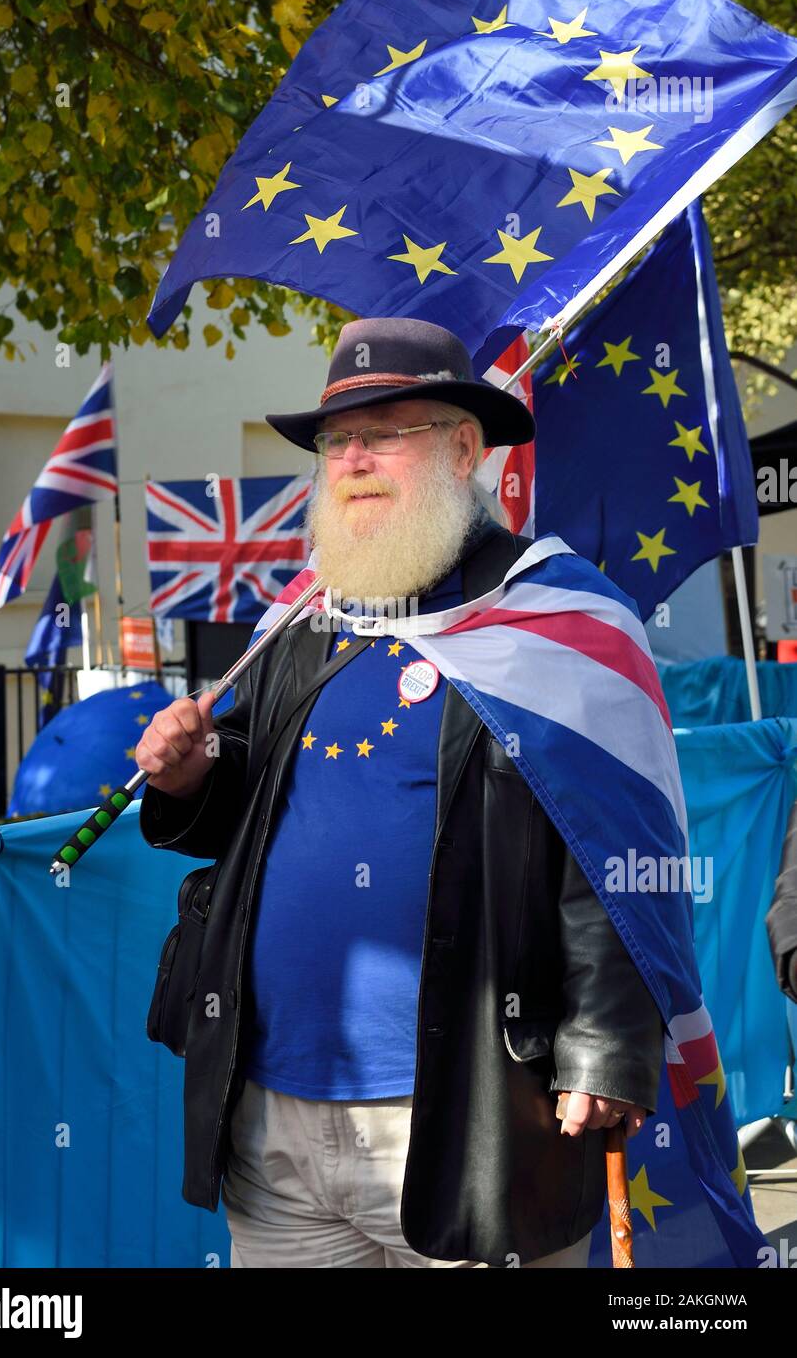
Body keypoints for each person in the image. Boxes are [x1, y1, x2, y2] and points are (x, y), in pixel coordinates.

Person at [136, 316, 664, 1268]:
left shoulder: (559, 620)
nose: (354, 459)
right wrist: (193, 773)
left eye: (386, 432)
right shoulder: (303, 621)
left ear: (464, 447)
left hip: (472, 1117)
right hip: (274, 1114)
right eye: (338, 440)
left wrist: (606, 1044)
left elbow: (616, 851)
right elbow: (243, 805)